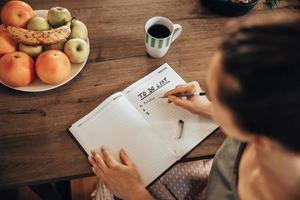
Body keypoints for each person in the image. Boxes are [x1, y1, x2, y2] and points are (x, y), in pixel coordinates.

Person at [88, 15, 300, 200]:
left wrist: (135, 194)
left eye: (217, 99)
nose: (206, 97)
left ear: (256, 132)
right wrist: (207, 107)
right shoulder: (280, 131)